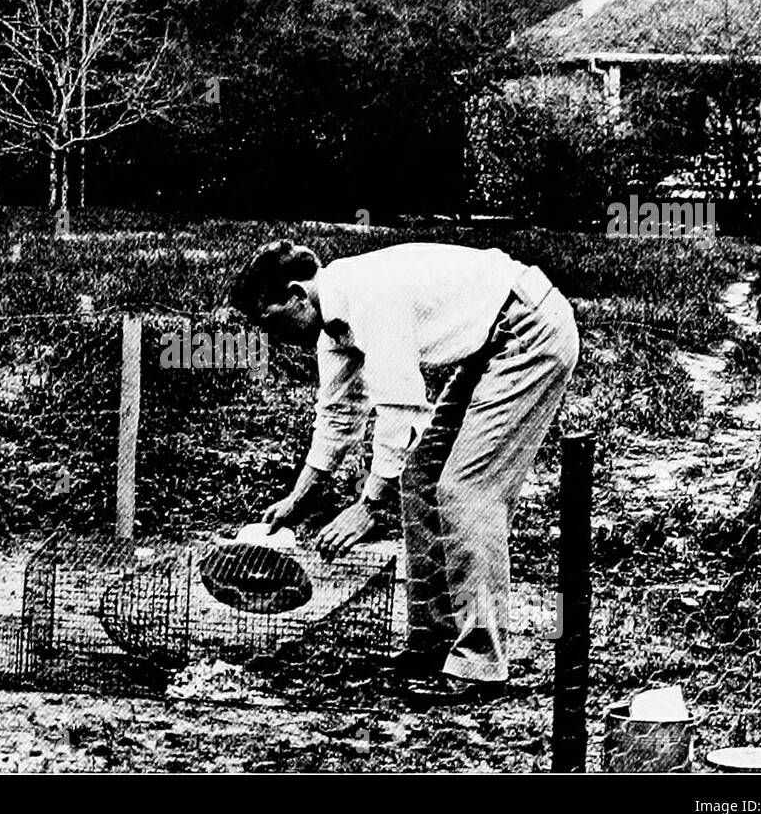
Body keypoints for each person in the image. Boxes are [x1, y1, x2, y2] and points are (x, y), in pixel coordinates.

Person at [228, 239, 579, 701]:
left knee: (466, 490)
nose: (269, 335)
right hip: (489, 343)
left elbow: (401, 411)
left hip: (530, 328)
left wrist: (368, 506)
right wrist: (299, 498)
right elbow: (338, 415)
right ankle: (433, 642)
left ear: (296, 294)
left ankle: (480, 662)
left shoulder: (367, 295)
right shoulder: (332, 324)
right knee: (419, 476)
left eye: (267, 320)